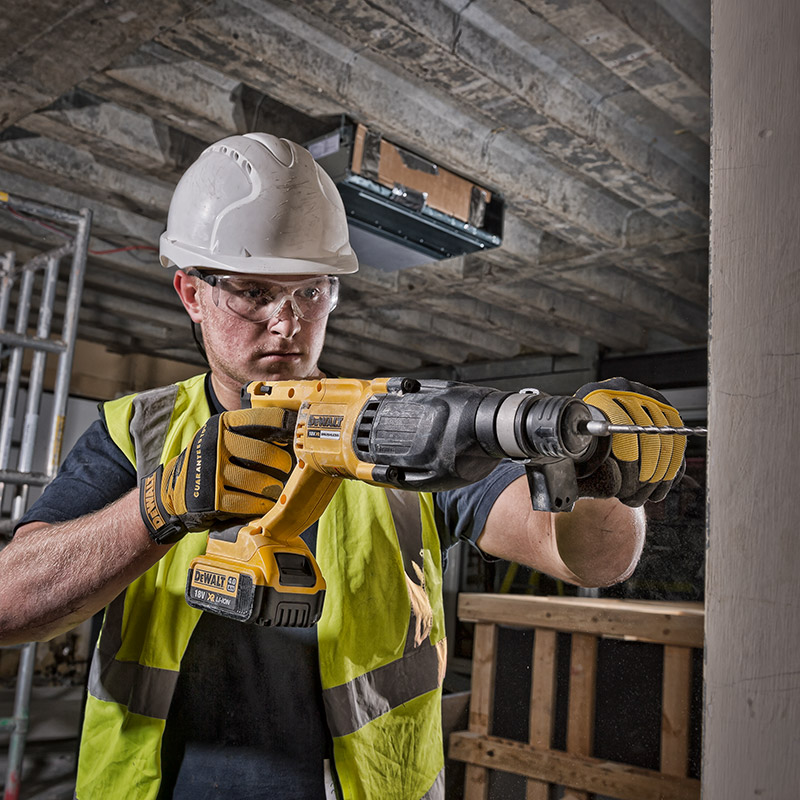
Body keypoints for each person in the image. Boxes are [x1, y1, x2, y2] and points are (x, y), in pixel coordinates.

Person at [0, 133, 686, 800]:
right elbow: (10, 604)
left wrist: (599, 478)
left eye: (309, 292)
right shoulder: (135, 432)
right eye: (252, 291)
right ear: (191, 294)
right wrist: (158, 506)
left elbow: (593, 561)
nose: (286, 322)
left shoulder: (398, 430)